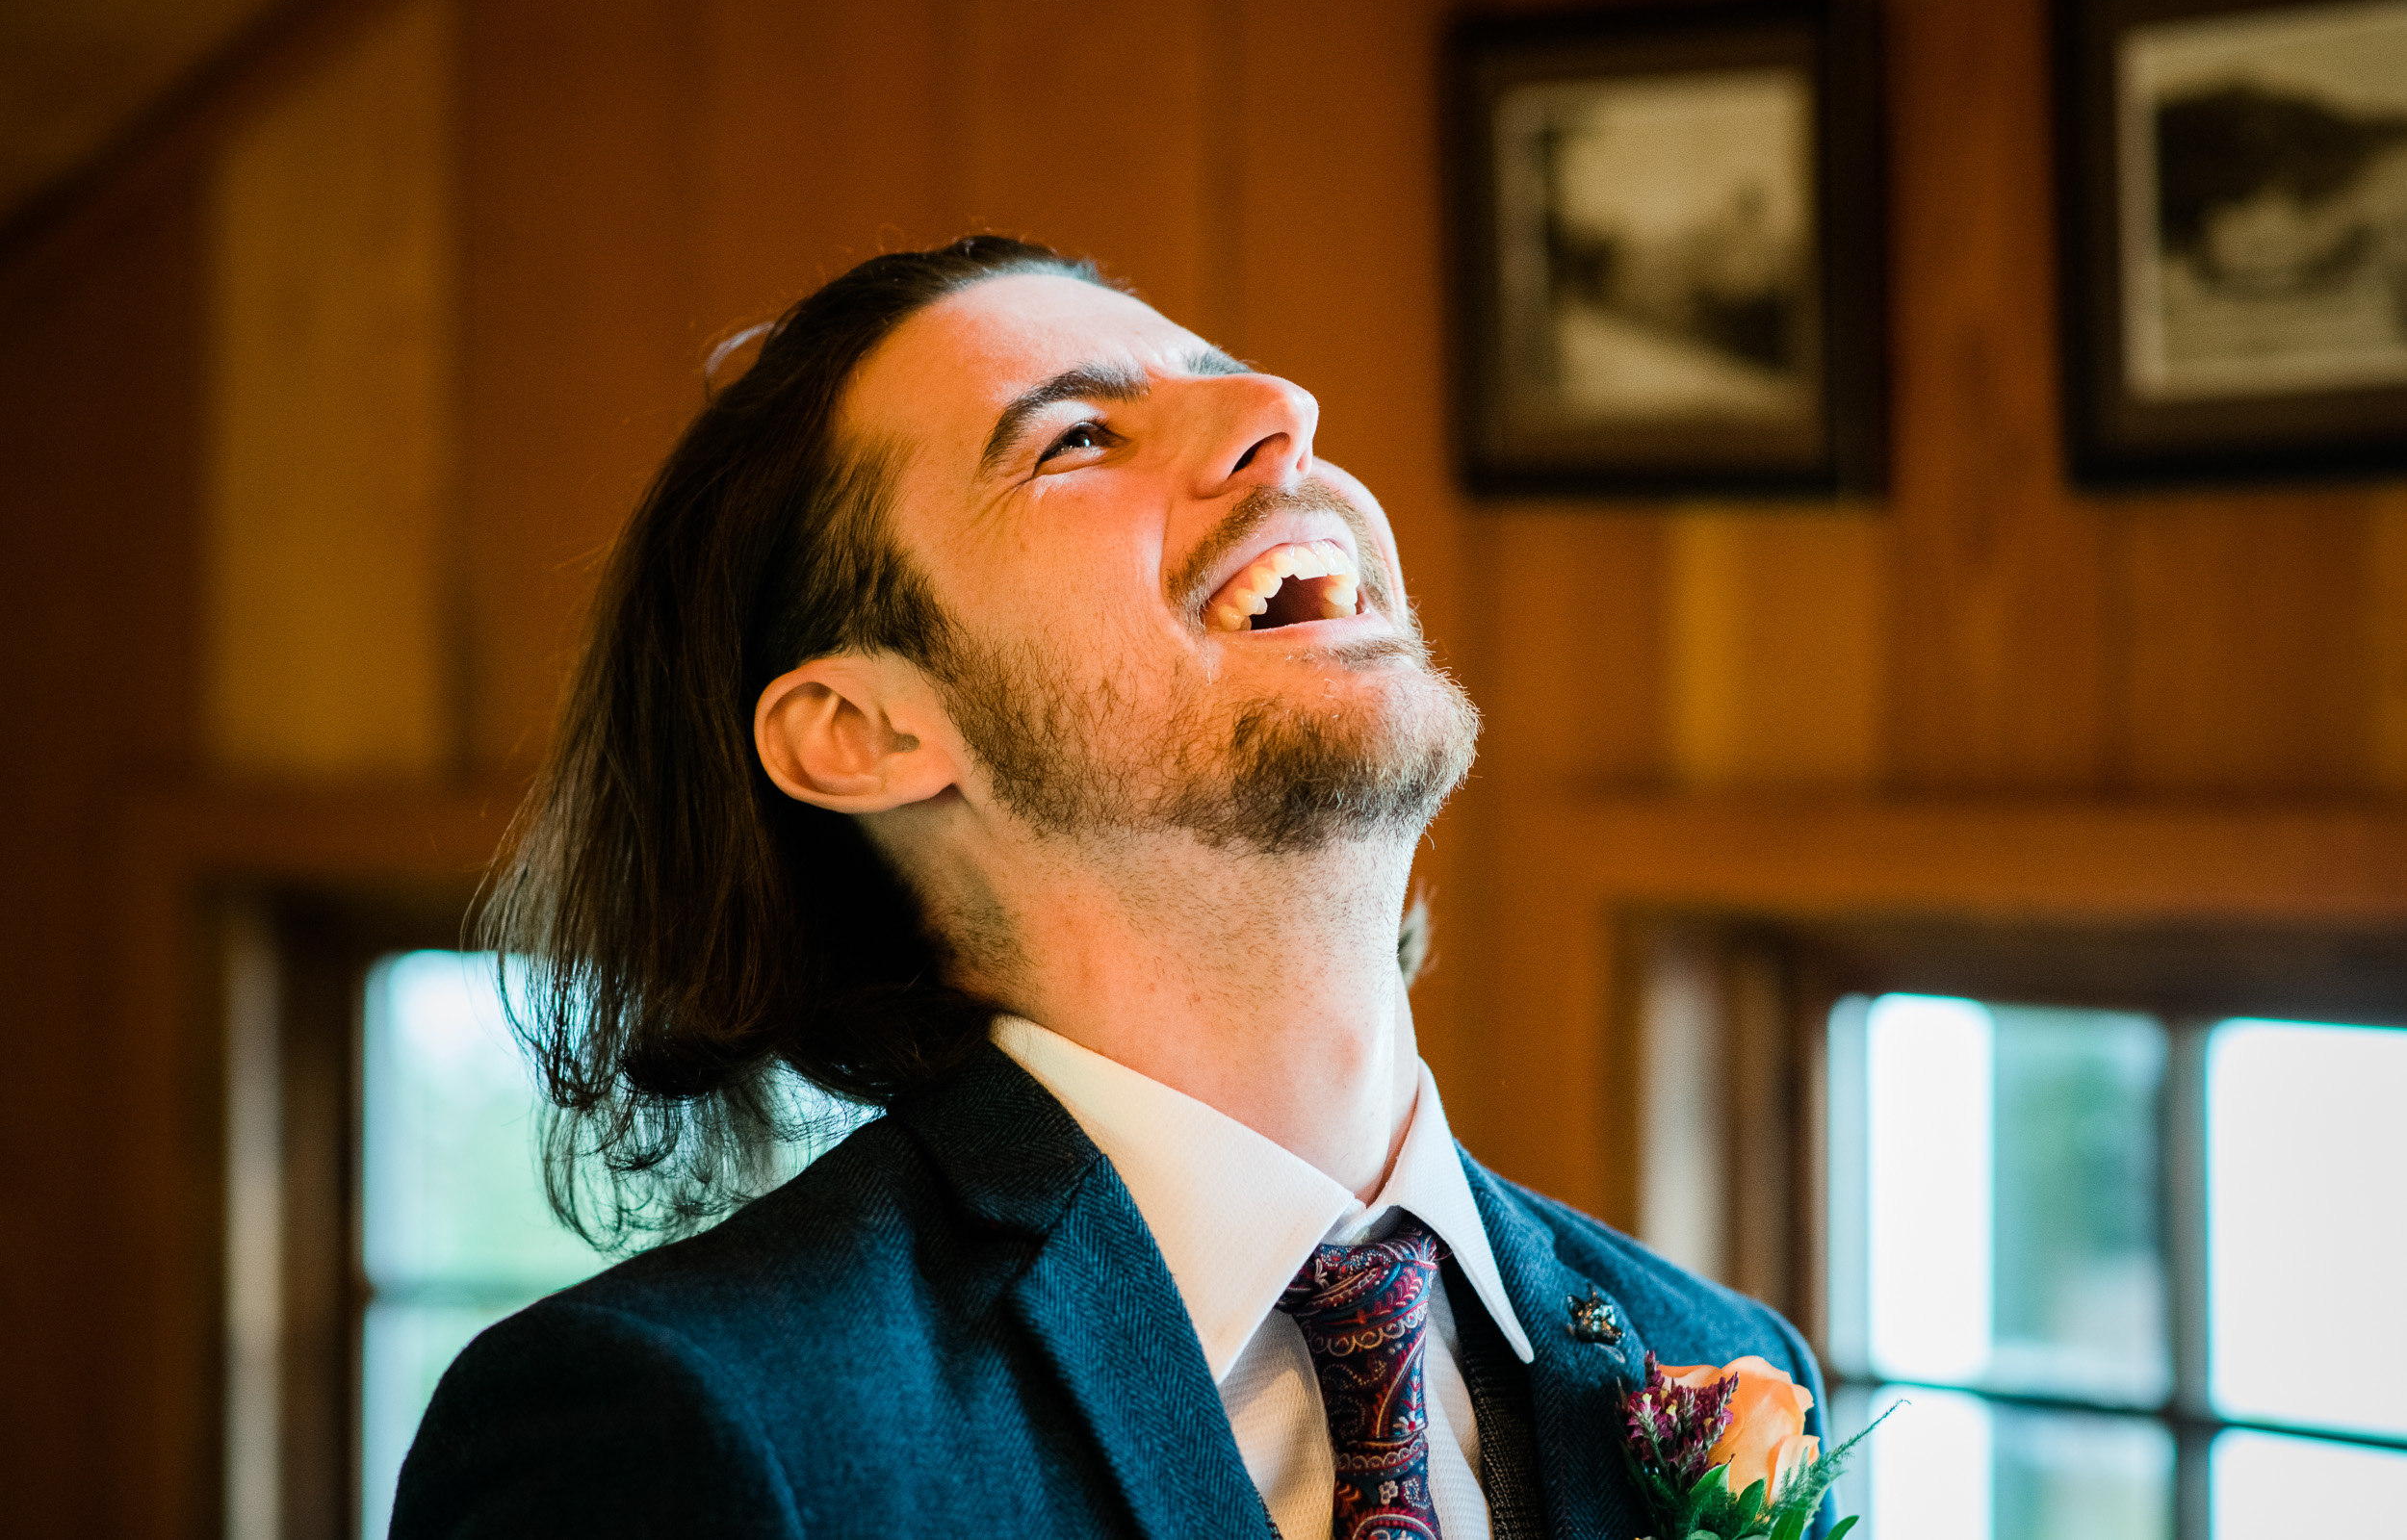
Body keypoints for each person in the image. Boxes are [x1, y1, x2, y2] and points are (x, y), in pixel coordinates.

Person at [393, 237, 1830, 1540]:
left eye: (1228, 378)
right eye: (1078, 437)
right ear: (869, 732)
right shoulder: (682, 1429)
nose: (1283, 407)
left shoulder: (1704, 1359)